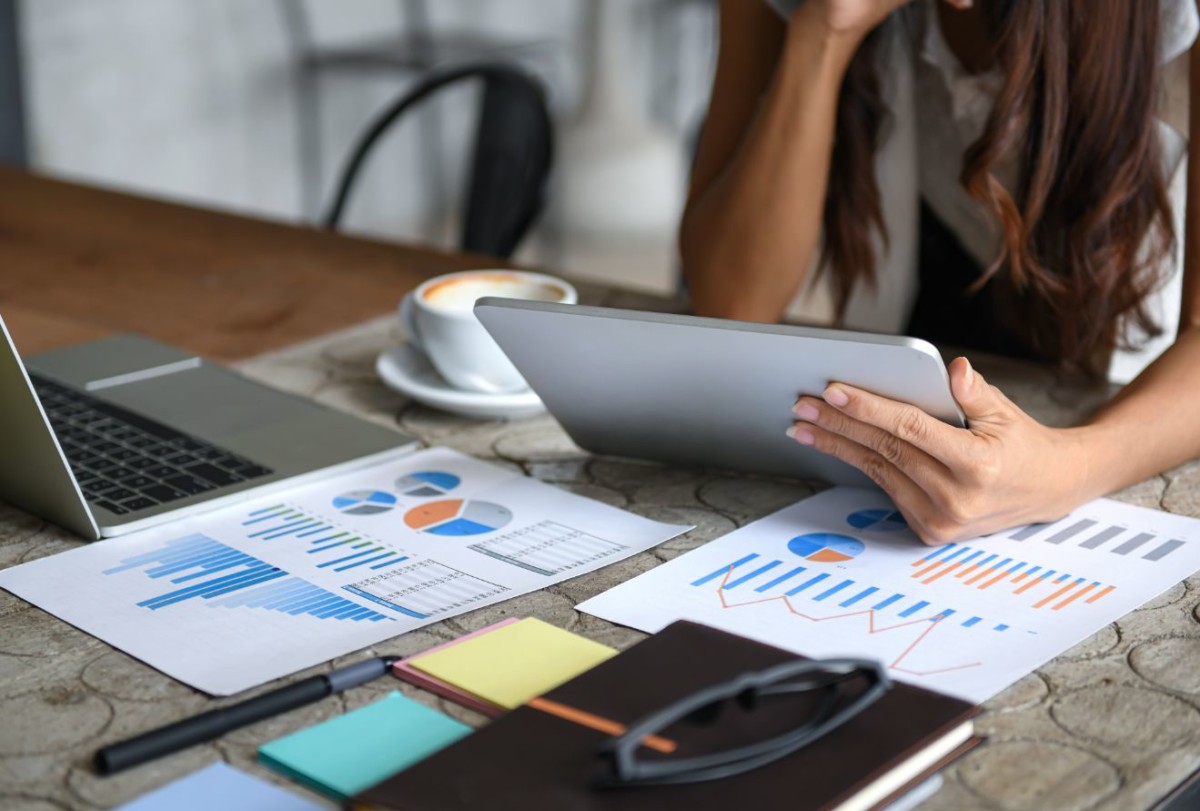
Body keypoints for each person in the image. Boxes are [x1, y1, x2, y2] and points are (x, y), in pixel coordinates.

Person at [679, 0, 1200, 545]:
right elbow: (731, 301)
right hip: (930, 319)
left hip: (1131, 371)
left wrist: (1064, 470)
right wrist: (825, 32)